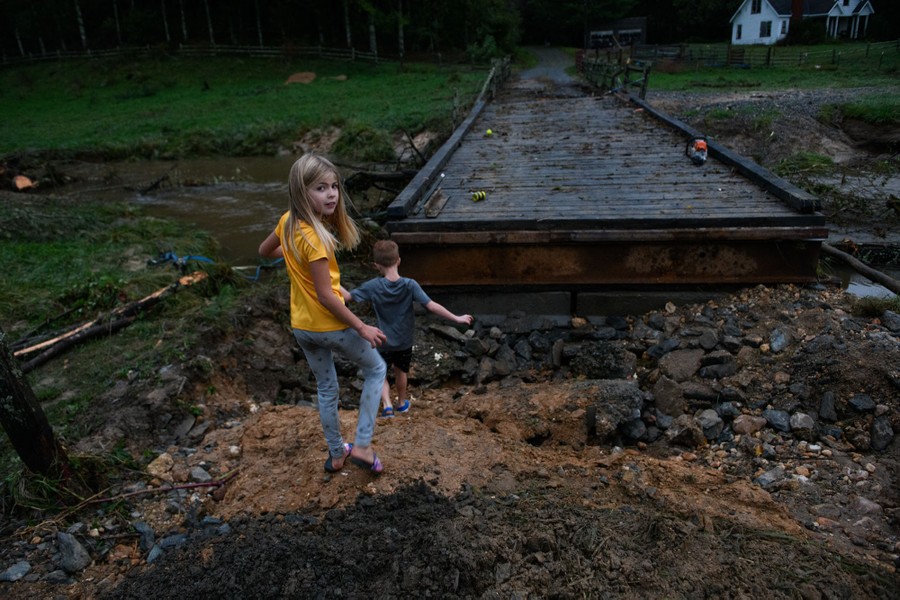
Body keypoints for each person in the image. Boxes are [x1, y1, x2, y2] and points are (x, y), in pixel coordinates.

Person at [259, 153, 387, 475]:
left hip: (303, 328)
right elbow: (326, 299)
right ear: (302, 192)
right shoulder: (317, 239)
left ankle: (335, 454)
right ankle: (361, 445)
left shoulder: (287, 221)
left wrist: (327, 283)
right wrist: (361, 327)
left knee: (327, 388)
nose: (331, 194)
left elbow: (266, 251)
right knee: (376, 369)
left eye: (334, 186)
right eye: (320, 188)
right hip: (331, 326)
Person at [343, 240, 473, 417]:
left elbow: (348, 297)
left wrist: (329, 281)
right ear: (399, 261)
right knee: (401, 370)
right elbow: (431, 306)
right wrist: (456, 318)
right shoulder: (410, 284)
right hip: (404, 341)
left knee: (379, 372)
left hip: (382, 340)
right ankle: (402, 403)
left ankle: (387, 404)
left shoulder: (373, 286)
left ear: (376, 265)